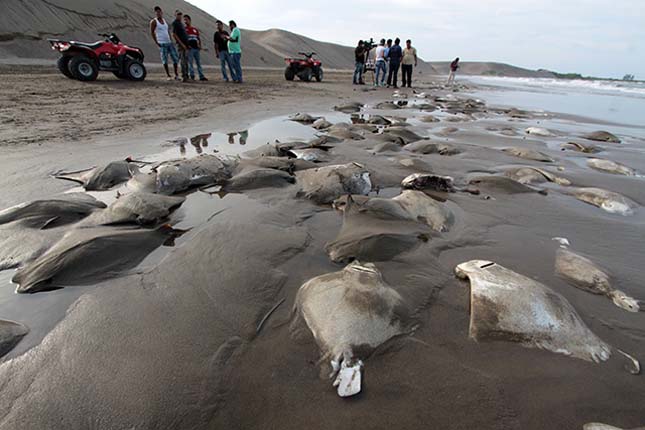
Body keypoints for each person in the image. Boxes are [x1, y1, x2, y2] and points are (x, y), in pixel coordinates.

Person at [150, 6, 178, 80]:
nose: (158, 13)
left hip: (169, 42)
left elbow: (167, 30)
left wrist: (171, 39)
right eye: (157, 12)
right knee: (165, 59)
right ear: (155, 13)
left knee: (175, 58)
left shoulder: (164, 20)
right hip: (162, 42)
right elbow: (152, 32)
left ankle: (176, 74)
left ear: (162, 12)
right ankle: (168, 75)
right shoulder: (154, 21)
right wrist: (156, 42)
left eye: (159, 12)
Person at [183, 14, 207, 81]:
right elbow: (184, 39)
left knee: (198, 63)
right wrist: (187, 46)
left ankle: (201, 76)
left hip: (196, 48)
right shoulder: (184, 29)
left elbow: (198, 38)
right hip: (190, 48)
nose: (185, 21)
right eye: (184, 20)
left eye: (186, 20)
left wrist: (200, 45)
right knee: (190, 63)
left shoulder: (195, 29)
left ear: (189, 20)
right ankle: (192, 75)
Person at [171, 10, 190, 82]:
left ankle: (186, 75)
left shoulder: (181, 23)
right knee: (182, 60)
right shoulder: (175, 23)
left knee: (186, 61)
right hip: (181, 45)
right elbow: (174, 34)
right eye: (178, 14)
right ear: (175, 15)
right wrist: (181, 44)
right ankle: (183, 76)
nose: (179, 15)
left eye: (180, 14)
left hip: (186, 45)